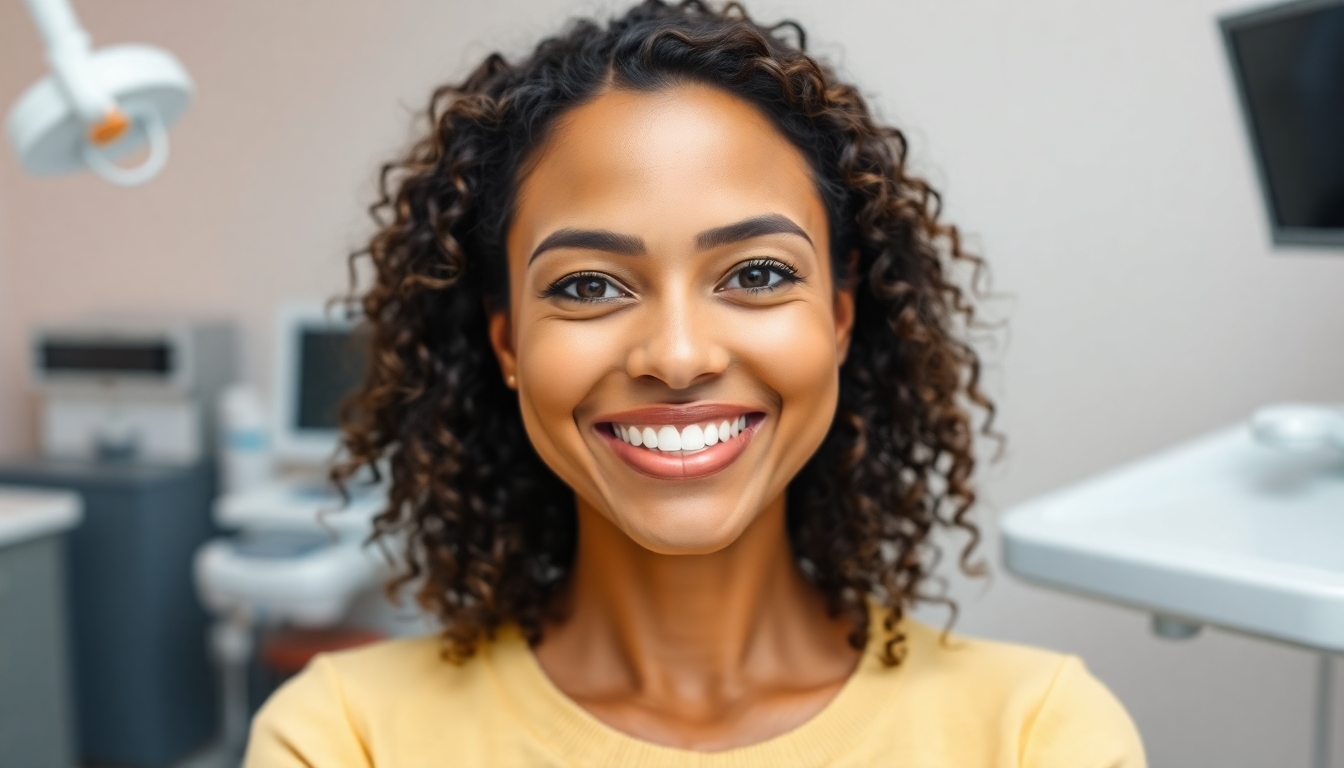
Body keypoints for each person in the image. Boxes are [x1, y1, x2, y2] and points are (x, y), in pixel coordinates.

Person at [245, 1, 1145, 765]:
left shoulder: (1036, 736)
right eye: (589, 285)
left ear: (838, 318)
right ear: (509, 342)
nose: (677, 358)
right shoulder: (342, 740)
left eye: (755, 274)